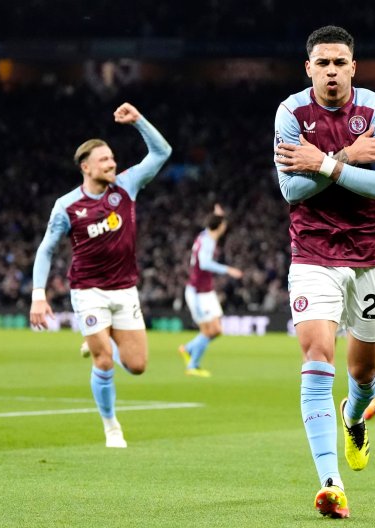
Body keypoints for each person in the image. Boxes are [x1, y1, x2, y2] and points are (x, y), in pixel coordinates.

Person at [273, 25, 375, 518]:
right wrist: (346, 158)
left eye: (339, 63)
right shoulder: (290, 113)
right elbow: (291, 192)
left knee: (363, 371)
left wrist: (322, 163)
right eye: (322, 63)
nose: (331, 71)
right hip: (312, 253)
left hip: (371, 254)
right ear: (308, 68)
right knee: (318, 354)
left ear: (353, 67)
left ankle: (355, 415)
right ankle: (331, 483)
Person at [29, 102, 172, 448]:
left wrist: (138, 120)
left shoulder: (126, 187)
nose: (113, 163)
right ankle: (111, 425)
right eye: (105, 159)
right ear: (86, 167)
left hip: (125, 289)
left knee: (137, 366)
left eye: (113, 158)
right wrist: (38, 294)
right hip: (88, 290)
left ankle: (100, 337)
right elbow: (47, 249)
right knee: (104, 360)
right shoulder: (67, 206)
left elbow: (162, 152)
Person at [179, 203, 243, 377]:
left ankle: (188, 349)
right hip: (197, 293)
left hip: (206, 291)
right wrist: (228, 270)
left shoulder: (205, 235)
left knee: (216, 330)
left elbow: (209, 226)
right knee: (209, 331)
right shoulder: (207, 241)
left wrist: (217, 215)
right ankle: (192, 366)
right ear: (220, 227)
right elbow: (205, 263)